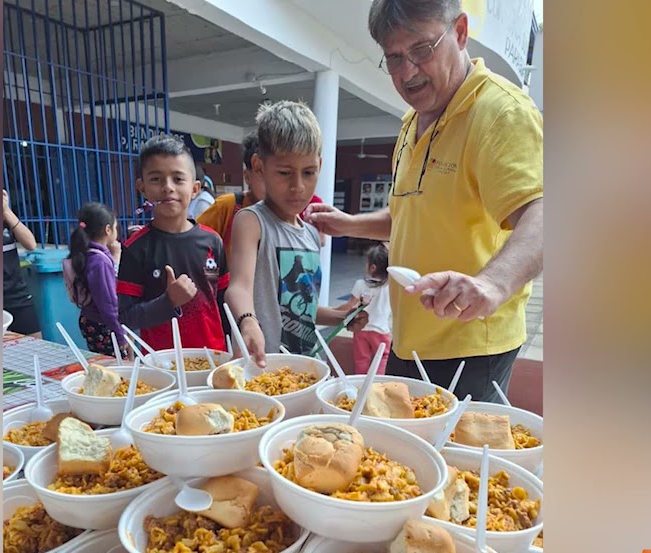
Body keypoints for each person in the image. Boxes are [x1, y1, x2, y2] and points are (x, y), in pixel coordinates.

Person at [305, 0, 543, 401]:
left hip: (470, 344)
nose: (407, 72)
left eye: (421, 50)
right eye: (394, 57)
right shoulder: (412, 122)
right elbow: (411, 214)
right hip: (410, 338)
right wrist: (348, 223)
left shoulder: (500, 113)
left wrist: (492, 284)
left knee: (456, 462)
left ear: (461, 32)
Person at [226, 100, 325, 363]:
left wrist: (343, 315)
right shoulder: (252, 221)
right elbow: (238, 287)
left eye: (309, 172)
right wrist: (247, 322)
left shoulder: (312, 233)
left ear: (320, 166)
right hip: (266, 369)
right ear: (259, 166)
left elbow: (299, 308)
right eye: (284, 172)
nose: (298, 186)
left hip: (308, 368)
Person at [117, 134, 229, 351]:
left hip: (214, 358)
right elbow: (126, 317)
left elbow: (225, 304)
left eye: (178, 179)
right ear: (142, 187)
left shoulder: (213, 241)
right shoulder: (135, 248)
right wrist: (168, 302)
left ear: (195, 189)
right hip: (161, 365)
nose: (168, 187)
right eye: (156, 179)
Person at [200, 131, 328, 257]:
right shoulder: (228, 206)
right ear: (248, 176)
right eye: (283, 172)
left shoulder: (303, 205)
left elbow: (319, 241)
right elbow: (194, 237)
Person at [62, 202, 128, 357]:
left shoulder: (85, 253)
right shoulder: (100, 262)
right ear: (108, 230)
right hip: (104, 326)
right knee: (116, 370)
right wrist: (119, 333)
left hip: (90, 321)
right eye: (115, 227)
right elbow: (108, 304)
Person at [327, 242, 392, 374]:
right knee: (383, 357)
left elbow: (349, 305)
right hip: (381, 331)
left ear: (372, 267)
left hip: (361, 330)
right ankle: (377, 383)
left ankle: (360, 383)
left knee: (361, 359)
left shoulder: (360, 284)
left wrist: (333, 311)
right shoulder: (389, 287)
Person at [2, 188, 40, 335]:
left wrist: (7, 212)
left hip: (18, 295)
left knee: (35, 342)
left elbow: (31, 244)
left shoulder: (6, 221)